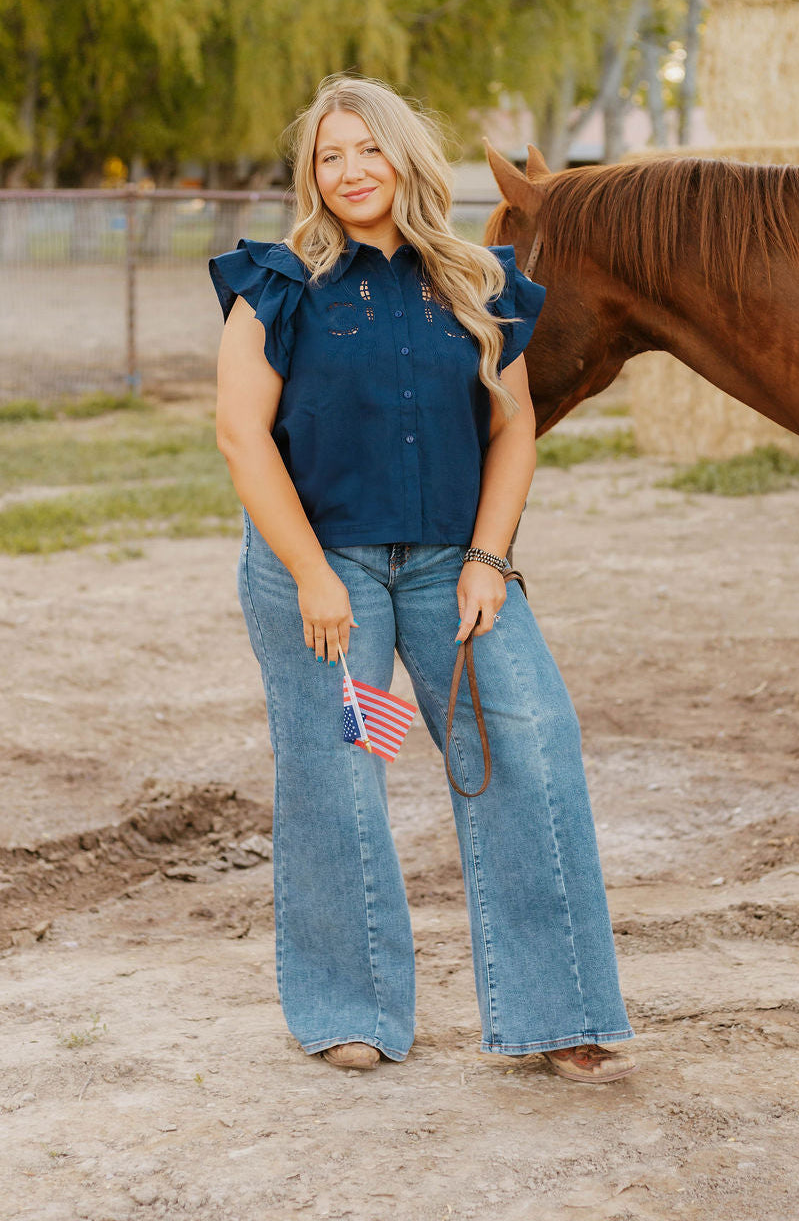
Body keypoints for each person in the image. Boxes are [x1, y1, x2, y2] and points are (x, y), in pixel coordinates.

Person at [209, 74, 635, 1083]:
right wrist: (314, 575)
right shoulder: (280, 282)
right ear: (312, 174)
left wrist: (489, 557)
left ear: (406, 155)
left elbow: (515, 426)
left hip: (453, 566)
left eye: (368, 148)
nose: (351, 170)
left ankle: (559, 1007)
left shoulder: (478, 282)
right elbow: (239, 435)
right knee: (346, 770)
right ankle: (349, 1007)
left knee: (524, 749)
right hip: (326, 574)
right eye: (330, 155)